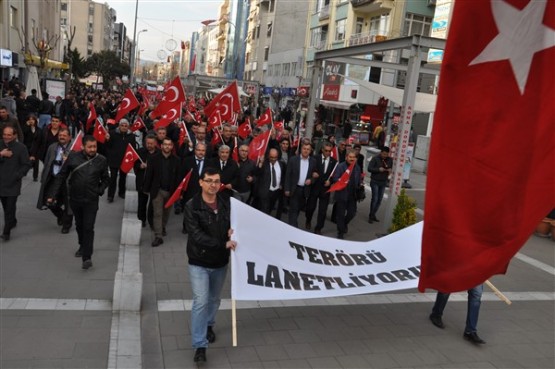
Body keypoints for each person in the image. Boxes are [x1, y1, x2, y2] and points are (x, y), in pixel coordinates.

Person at [183, 167, 237, 363]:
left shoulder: (225, 203)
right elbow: (196, 236)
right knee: (200, 301)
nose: (213, 185)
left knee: (214, 299)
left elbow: (234, 223)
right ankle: (200, 345)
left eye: (216, 181)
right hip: (199, 261)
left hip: (220, 262)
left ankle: (209, 324)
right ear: (201, 182)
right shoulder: (192, 205)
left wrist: (233, 231)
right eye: (209, 181)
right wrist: (222, 243)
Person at [47, 135, 110, 269]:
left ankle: (87, 257)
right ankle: (82, 244)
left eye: (95, 146)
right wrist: (52, 195)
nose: (93, 149)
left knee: (88, 227)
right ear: (83, 147)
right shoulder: (73, 158)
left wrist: (100, 189)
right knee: (79, 225)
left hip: (91, 200)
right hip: (75, 199)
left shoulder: (101, 160)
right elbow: (61, 176)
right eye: (90, 147)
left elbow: (106, 178)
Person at [142, 137, 181, 247]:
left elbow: (178, 177)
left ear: (172, 147)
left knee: (166, 213)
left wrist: (179, 193)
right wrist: (146, 188)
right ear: (162, 146)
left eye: (169, 145)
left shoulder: (177, 160)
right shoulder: (154, 158)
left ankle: (162, 227)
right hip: (157, 190)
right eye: (165, 144)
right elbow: (149, 174)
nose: (167, 146)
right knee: (157, 213)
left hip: (171, 191)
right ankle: (158, 236)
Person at [37, 128, 74, 233]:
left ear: (69, 137)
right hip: (53, 179)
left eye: (64, 135)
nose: (61, 137)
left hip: (67, 181)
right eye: (60, 135)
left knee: (68, 204)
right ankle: (61, 215)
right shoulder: (52, 147)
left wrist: (69, 160)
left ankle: (67, 225)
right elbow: (47, 163)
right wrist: (43, 177)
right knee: (49, 201)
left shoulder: (74, 149)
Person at [0, 126, 31, 241]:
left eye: (9, 135)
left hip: (13, 183)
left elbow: (26, 164)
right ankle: (12, 221)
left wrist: (17, 175)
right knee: (5, 206)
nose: (6, 137)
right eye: (4, 134)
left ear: (14, 135)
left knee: (10, 207)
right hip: (1, 183)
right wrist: (1, 154)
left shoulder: (21, 148)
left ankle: (6, 232)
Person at [306, 141, 337, 234]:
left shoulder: (334, 162)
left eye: (329, 151)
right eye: (326, 150)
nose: (327, 153)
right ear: (322, 150)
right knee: (310, 207)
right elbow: (310, 170)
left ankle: (318, 227)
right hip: (315, 187)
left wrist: (330, 182)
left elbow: (334, 176)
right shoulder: (315, 158)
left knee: (323, 211)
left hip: (325, 190)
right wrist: (313, 173)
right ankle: (308, 220)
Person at [284, 142, 316, 228]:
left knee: (298, 209)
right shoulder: (293, 160)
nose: (306, 151)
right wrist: (286, 189)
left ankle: (292, 225)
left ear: (310, 151)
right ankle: (293, 227)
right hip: (294, 189)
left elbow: (314, 175)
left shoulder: (313, 161)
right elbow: (288, 175)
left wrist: (311, 180)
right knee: (293, 209)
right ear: (301, 149)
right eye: (304, 149)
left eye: (308, 149)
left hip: (305, 190)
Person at [104, 119, 136, 202]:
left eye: (126, 126)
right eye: (122, 125)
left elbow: (133, 148)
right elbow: (107, 146)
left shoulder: (131, 136)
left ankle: (121, 192)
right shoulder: (112, 133)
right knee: (113, 178)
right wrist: (107, 140)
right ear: (119, 126)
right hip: (113, 160)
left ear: (128, 127)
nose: (124, 127)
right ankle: (110, 196)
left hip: (124, 161)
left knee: (123, 178)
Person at [333, 149, 362, 239]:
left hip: (353, 195)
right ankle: (340, 232)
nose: (352, 159)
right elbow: (335, 178)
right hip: (342, 194)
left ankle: (344, 223)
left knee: (352, 213)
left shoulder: (357, 167)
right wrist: (342, 180)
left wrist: (360, 184)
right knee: (340, 214)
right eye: (350, 157)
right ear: (346, 157)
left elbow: (359, 178)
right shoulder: (341, 166)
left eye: (354, 157)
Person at [181, 143, 207, 233]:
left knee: (202, 210)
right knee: (189, 209)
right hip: (189, 190)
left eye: (203, 150)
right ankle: (186, 226)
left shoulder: (209, 162)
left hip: (203, 191)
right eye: (199, 150)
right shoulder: (187, 161)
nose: (201, 152)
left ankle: (199, 227)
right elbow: (182, 177)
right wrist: (181, 192)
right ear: (195, 150)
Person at [134, 134, 158, 228]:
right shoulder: (140, 152)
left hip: (153, 183)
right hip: (142, 182)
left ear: (155, 143)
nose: (149, 145)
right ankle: (141, 220)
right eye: (148, 143)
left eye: (151, 143)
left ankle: (151, 221)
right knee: (142, 203)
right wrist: (140, 166)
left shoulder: (159, 154)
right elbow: (135, 164)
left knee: (152, 205)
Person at [255, 148, 285, 219]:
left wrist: (282, 184)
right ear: (268, 156)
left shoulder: (282, 164)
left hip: (276, 192)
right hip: (265, 192)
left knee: (270, 209)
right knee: (264, 210)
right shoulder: (264, 163)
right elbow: (257, 173)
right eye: (271, 157)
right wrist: (260, 164)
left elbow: (284, 176)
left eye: (275, 157)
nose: (273, 159)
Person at [367, 146, 392, 223]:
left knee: (379, 199)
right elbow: (369, 168)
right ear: (381, 152)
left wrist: (390, 170)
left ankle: (373, 214)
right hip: (375, 181)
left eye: (386, 154)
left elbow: (391, 167)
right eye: (384, 154)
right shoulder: (375, 158)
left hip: (383, 181)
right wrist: (378, 169)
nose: (385, 155)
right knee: (375, 198)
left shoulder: (390, 160)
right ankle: (371, 216)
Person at [21, 114, 42, 181]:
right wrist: (26, 126)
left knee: (36, 163)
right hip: (27, 147)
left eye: (32, 119)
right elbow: (24, 134)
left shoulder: (39, 130)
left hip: (36, 148)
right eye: (29, 119)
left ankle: (35, 177)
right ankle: (23, 172)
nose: (31, 121)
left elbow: (40, 140)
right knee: (26, 162)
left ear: (35, 120)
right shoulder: (25, 128)